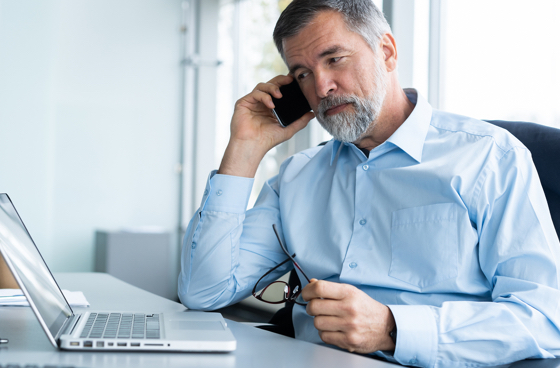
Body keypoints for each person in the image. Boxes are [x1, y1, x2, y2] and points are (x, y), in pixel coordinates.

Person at [178, 0, 560, 366]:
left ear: (388, 52)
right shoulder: (296, 178)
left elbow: (544, 319)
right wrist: (243, 150)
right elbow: (204, 291)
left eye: (334, 59)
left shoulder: (490, 158)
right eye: (302, 74)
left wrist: (393, 329)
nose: (322, 86)